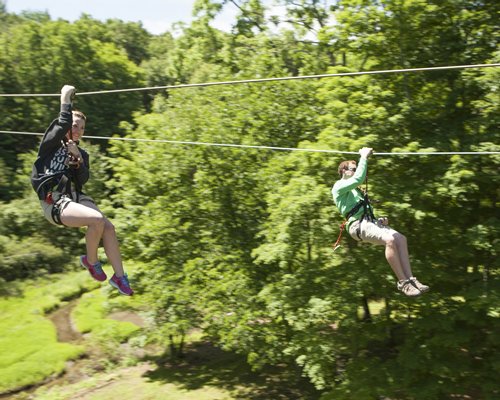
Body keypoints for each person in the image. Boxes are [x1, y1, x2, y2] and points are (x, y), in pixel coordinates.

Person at [31, 85, 133, 296]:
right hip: (55, 201)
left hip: (74, 196)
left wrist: (77, 158)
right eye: (75, 126)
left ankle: (119, 276)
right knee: (96, 219)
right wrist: (66, 97)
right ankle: (91, 261)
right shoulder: (50, 145)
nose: (77, 130)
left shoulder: (82, 152)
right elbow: (62, 123)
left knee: (108, 227)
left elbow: (82, 179)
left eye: (82, 128)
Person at [331, 147, 429, 297]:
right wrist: (363, 157)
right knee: (389, 240)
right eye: (353, 168)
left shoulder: (356, 191)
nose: (356, 170)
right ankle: (403, 283)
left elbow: (363, 208)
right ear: (344, 171)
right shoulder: (339, 187)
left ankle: (411, 280)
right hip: (357, 225)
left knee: (401, 239)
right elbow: (359, 178)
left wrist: (379, 220)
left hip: (368, 222)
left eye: (357, 168)